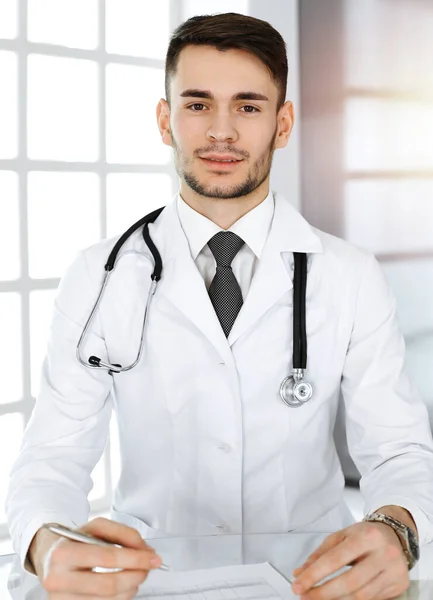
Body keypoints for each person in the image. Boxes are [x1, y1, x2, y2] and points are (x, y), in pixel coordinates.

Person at [6, 11, 433, 600]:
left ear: (283, 124)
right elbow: (52, 453)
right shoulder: (98, 277)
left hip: (316, 579)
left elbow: (399, 448)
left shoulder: (350, 276)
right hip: (150, 579)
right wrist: (44, 540)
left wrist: (396, 528)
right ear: (166, 120)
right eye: (199, 104)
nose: (222, 132)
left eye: (249, 106)